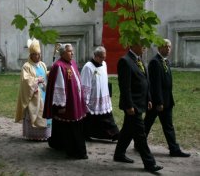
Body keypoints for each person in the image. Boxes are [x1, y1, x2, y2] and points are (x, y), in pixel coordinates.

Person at [113, 44, 163, 172]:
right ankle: (150, 163)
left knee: (127, 130)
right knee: (140, 135)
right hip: (133, 105)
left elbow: (145, 81)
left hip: (141, 102)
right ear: (133, 46)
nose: (144, 48)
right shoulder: (125, 61)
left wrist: (149, 98)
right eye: (142, 45)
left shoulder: (139, 59)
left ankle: (119, 154)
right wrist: (129, 105)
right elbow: (125, 87)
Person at [144, 39, 190, 157]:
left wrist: (168, 99)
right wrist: (159, 102)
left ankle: (174, 149)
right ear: (159, 48)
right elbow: (155, 84)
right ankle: (140, 144)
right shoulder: (155, 62)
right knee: (147, 123)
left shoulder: (166, 61)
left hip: (167, 100)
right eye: (166, 47)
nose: (168, 49)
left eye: (170, 47)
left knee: (167, 125)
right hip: (158, 101)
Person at [43, 43, 88, 159]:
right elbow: (59, 87)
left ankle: (57, 143)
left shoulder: (72, 63)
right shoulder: (59, 66)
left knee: (64, 125)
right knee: (69, 126)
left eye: (72, 51)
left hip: (75, 99)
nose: (72, 53)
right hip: (68, 103)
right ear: (63, 53)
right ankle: (73, 150)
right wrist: (61, 105)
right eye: (69, 51)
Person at [80, 46, 119, 141]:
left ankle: (114, 134)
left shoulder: (104, 64)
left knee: (107, 117)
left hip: (103, 98)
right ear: (95, 56)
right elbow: (85, 84)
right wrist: (85, 100)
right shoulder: (88, 67)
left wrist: (108, 94)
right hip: (93, 99)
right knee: (90, 119)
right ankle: (86, 134)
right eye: (101, 57)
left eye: (104, 57)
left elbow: (104, 79)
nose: (103, 59)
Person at [15, 38, 51, 140]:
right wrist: (36, 80)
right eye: (35, 54)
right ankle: (33, 135)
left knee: (44, 113)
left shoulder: (42, 65)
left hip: (43, 93)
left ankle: (45, 134)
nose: (38, 56)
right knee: (36, 112)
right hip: (33, 95)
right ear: (31, 55)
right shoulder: (26, 66)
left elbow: (44, 75)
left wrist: (49, 73)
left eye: (39, 53)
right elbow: (25, 81)